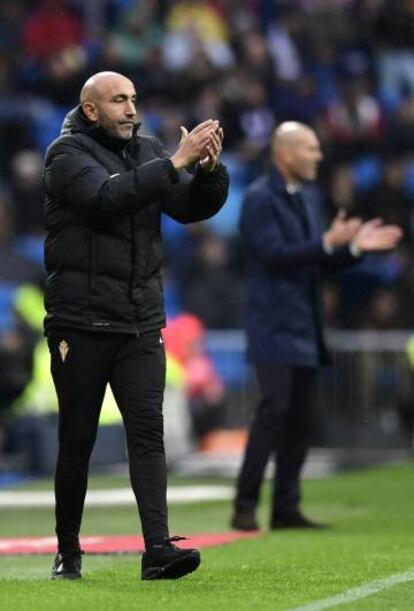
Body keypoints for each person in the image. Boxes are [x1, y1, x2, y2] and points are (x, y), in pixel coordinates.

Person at [43, 71, 229, 580]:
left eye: (133, 99)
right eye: (118, 100)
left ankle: (157, 550)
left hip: (140, 321)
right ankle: (68, 550)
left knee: (148, 433)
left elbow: (187, 208)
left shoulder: (146, 150)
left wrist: (209, 172)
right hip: (79, 322)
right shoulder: (65, 156)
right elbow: (107, 199)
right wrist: (175, 163)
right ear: (90, 110)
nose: (131, 108)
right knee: (77, 438)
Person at [231, 121, 402, 531]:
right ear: (286, 153)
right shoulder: (258, 200)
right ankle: (245, 505)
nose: (318, 156)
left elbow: (316, 262)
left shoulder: (306, 199)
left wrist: (354, 248)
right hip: (273, 326)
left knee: (301, 421)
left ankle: (286, 506)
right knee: (272, 413)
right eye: (310, 149)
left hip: (305, 325)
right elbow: (274, 256)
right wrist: (327, 243)